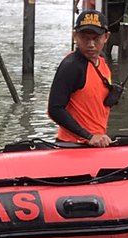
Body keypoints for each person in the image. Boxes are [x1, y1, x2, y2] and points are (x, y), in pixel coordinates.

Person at [47, 9, 114, 148]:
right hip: (73, 145)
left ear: (106, 37)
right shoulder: (71, 66)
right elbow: (55, 109)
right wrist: (88, 136)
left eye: (96, 38)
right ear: (75, 36)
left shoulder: (101, 60)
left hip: (98, 141)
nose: (91, 44)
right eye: (85, 38)